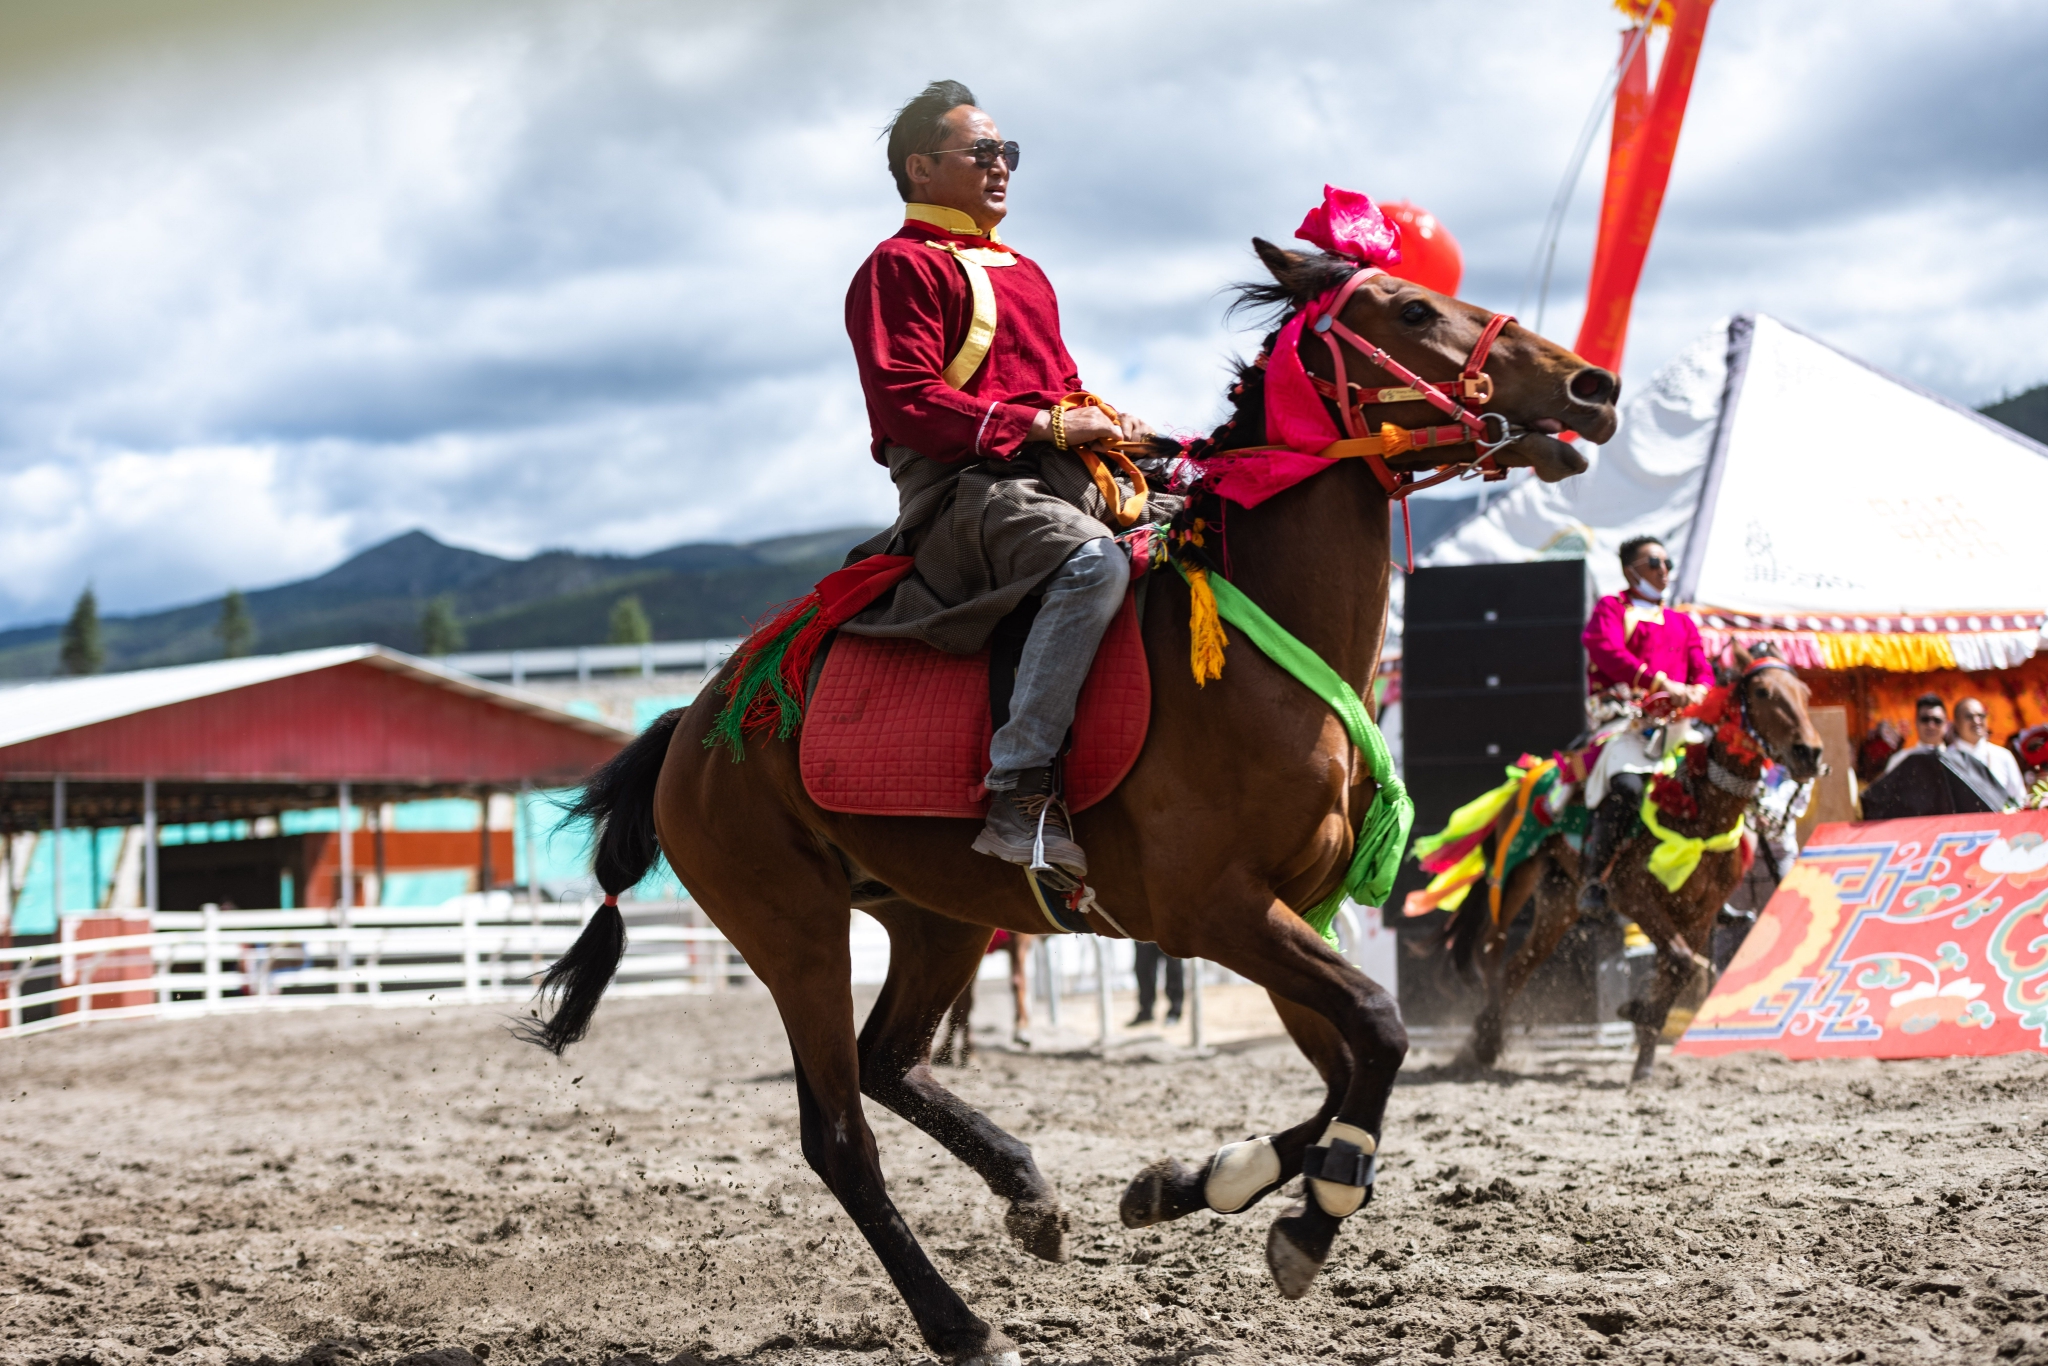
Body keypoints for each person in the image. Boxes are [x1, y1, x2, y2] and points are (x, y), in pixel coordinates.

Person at [839, 81, 1171, 886]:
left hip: (1057, 474)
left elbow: (1062, 386)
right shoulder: (896, 267)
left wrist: (1123, 429)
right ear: (922, 168)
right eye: (983, 153)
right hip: (966, 492)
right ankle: (1020, 789)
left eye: (1008, 153)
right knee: (1094, 563)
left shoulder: (1026, 271)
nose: (1002, 167)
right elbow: (908, 401)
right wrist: (1047, 427)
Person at [1576, 536, 1714, 917]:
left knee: (1720, 783)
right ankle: (1595, 877)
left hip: (1678, 728)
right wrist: (1658, 683)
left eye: (1667, 563)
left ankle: (1718, 882)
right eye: (1654, 562)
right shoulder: (1611, 608)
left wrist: (1700, 689)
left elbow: (1702, 668)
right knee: (1627, 786)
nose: (1663, 570)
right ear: (1630, 570)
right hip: (1626, 723)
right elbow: (1605, 649)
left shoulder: (1681, 621)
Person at [1950, 698, 2028, 805]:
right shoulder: (1946, 757)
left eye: (1981, 716)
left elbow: (2020, 800)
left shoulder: (2003, 756)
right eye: (1969, 716)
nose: (1976, 721)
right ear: (1956, 722)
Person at [1882, 694, 1950, 776]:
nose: (1931, 726)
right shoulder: (1900, 760)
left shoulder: (1957, 760)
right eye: (1925, 719)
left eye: (1937, 720)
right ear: (1916, 722)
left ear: (1946, 724)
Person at [1129, 942, 1184, 1026]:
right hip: (1145, 931)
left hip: (1169, 930)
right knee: (1143, 967)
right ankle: (1146, 1012)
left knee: (1173, 968)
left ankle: (1174, 1012)